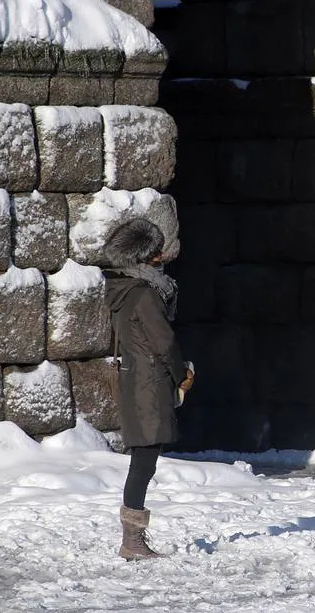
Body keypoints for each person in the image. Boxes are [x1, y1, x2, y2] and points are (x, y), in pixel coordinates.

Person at [102, 218, 194, 561]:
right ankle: (133, 541)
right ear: (145, 257)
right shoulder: (143, 294)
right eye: (156, 251)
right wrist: (181, 373)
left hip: (138, 379)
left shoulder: (126, 290)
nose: (161, 256)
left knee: (144, 460)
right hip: (149, 383)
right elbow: (163, 342)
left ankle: (134, 538)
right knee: (143, 462)